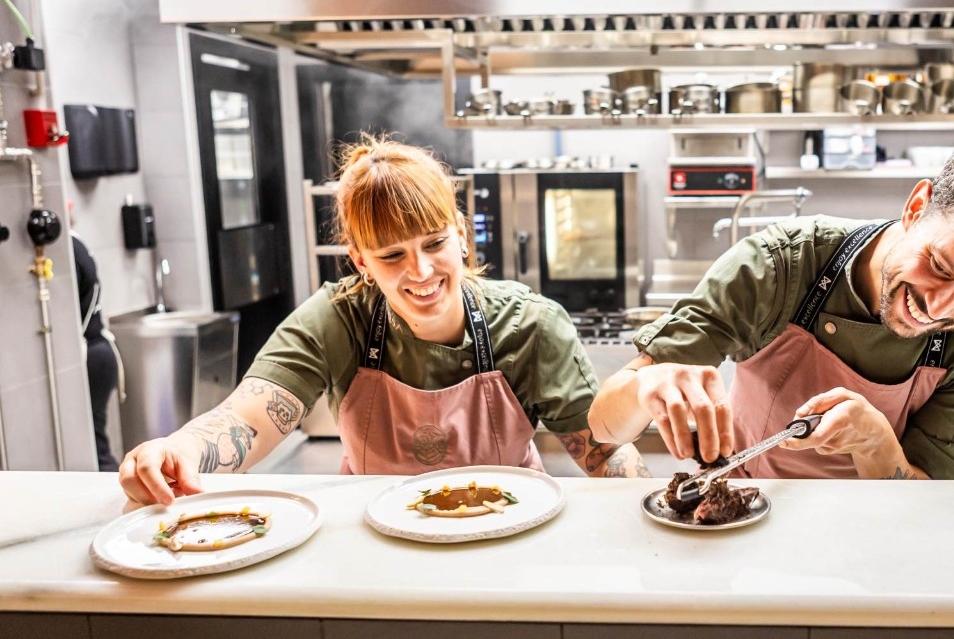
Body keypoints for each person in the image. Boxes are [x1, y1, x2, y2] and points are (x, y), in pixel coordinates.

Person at [120, 138, 646, 505]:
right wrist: (181, 449)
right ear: (359, 260)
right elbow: (249, 416)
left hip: (508, 536)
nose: (420, 272)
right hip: (372, 543)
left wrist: (656, 503)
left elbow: (599, 451)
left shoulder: (530, 326)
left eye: (435, 244)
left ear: (461, 233)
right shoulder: (337, 319)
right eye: (391, 255)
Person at [589, 125, 954, 480]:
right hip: (745, 519)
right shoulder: (782, 264)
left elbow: (932, 500)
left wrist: (876, 442)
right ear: (915, 208)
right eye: (938, 266)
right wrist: (645, 387)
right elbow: (602, 426)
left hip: (874, 547)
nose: (939, 307)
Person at [72, 231, 122, 472]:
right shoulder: (78, 243)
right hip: (99, 350)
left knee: (95, 446)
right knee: (96, 439)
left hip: (91, 355)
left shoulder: (68, 249)